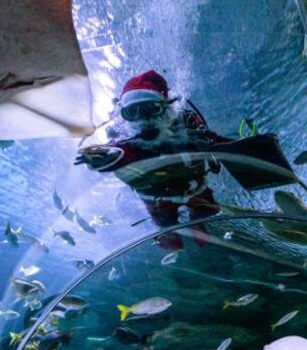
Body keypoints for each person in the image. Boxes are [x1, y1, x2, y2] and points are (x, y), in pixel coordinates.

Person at [75, 70, 231, 250]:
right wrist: (111, 157)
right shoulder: (123, 134)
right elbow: (122, 150)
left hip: (191, 186)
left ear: (166, 105)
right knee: (168, 233)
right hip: (157, 196)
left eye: (151, 109)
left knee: (206, 217)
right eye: (133, 112)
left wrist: (243, 147)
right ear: (123, 113)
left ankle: (201, 234)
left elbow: (212, 140)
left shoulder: (185, 121)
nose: (143, 119)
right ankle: (179, 242)